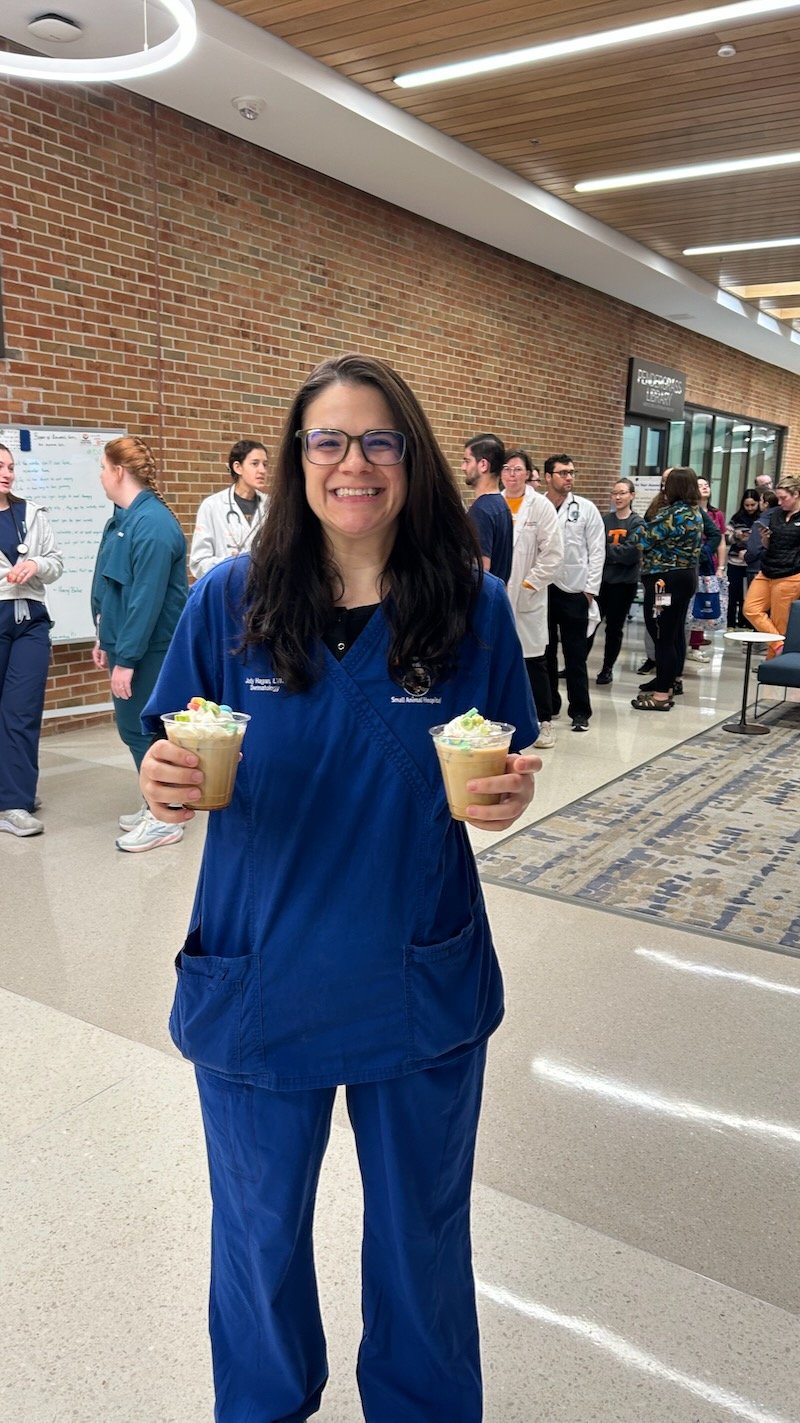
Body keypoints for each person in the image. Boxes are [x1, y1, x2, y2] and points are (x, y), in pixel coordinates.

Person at [138, 354, 540, 1423]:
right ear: (294, 458)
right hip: (260, 973)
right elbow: (171, 753)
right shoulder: (230, 601)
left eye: (377, 441)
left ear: (409, 459)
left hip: (417, 968)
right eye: (326, 440)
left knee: (420, 1235)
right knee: (258, 1234)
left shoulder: (471, 608)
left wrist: (503, 800)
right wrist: (165, 780)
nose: (351, 463)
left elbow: (500, 764)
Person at [90, 436, 188, 851]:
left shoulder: (152, 525)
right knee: (134, 729)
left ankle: (165, 817)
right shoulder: (125, 519)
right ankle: (154, 801)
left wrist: (126, 659)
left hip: (148, 650)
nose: (100, 475)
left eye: (102, 467)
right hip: (125, 645)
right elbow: (113, 588)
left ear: (117, 471)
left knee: (145, 731)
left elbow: (145, 600)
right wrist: (103, 637)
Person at [0, 443, 63, 837]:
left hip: (31, 623)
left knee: (21, 711)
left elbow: (55, 563)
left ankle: (15, 800)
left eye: (10, 466)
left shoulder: (32, 513)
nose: (7, 473)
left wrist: (36, 564)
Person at [501, 448, 564, 748]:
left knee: (533, 660)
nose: (512, 475)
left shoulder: (540, 507)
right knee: (502, 658)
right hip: (498, 594)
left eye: (518, 469)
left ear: (528, 473)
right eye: (506, 469)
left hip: (528, 596)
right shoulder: (493, 503)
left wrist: (528, 585)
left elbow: (553, 555)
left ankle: (544, 720)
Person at [629, 467, 703, 710]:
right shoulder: (695, 512)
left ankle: (661, 696)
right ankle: (668, 685)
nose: (664, 489)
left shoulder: (671, 514)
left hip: (664, 584)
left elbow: (641, 539)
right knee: (671, 634)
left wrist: (635, 524)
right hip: (685, 578)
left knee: (661, 635)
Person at [543, 454, 605, 731]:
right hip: (542, 588)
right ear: (548, 477)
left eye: (572, 473)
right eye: (563, 473)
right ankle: (549, 704)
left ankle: (580, 711)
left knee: (575, 655)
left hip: (575, 591)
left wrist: (590, 590)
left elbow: (597, 551)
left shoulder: (586, 508)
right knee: (544, 653)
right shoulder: (538, 506)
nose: (569, 477)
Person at [189, 439, 270, 579]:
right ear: (238, 467)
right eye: (255, 464)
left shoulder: (272, 505)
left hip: (263, 592)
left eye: (265, 464)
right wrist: (231, 565)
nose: (262, 470)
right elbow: (198, 563)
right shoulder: (212, 506)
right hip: (225, 590)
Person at [743, 473, 800, 658]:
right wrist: (765, 540)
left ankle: (773, 663)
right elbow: (769, 544)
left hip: (790, 574)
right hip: (767, 569)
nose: (780, 502)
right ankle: (778, 645)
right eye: (778, 498)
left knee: (779, 621)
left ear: (796, 494)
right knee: (750, 608)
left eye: (784, 498)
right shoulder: (776, 514)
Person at [594, 478, 643, 685]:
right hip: (602, 582)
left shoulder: (637, 523)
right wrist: (614, 553)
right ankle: (574, 665)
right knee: (590, 624)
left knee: (614, 628)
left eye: (622, 493)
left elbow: (631, 554)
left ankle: (607, 668)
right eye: (615, 493)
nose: (618, 497)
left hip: (624, 584)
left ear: (631, 495)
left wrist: (607, 552)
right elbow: (595, 548)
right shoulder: (604, 521)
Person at [462, 432, 513, 582]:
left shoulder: (481, 511)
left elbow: (480, 570)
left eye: (467, 461)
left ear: (483, 465)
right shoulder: (501, 505)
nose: (463, 467)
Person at [686, 477, 726, 662]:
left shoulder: (716, 514)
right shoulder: (687, 510)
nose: (704, 488)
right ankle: (683, 642)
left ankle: (695, 645)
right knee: (689, 602)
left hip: (708, 561)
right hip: (688, 561)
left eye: (706, 485)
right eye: (700, 485)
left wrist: (721, 566)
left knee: (703, 602)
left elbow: (721, 540)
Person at [725, 488, 760, 629]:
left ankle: (746, 622)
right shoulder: (736, 518)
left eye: (753, 505)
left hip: (753, 563)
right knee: (734, 593)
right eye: (747, 505)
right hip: (735, 561)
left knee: (751, 595)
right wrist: (736, 536)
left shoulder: (762, 518)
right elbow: (727, 538)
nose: (750, 508)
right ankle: (731, 623)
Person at [744, 488, 779, 582]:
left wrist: (746, 556)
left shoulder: (761, 523)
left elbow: (753, 549)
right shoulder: (781, 520)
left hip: (756, 567)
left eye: (760, 500)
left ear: (766, 504)